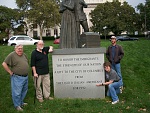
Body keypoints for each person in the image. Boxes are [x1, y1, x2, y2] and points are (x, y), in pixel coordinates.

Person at [2, 44, 29, 111]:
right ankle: (17, 105)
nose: (20, 50)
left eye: (21, 48)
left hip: (25, 77)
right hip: (17, 77)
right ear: (15, 49)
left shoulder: (24, 55)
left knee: (24, 91)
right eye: (18, 48)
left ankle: (21, 102)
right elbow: (4, 64)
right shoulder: (12, 55)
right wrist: (10, 72)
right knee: (17, 92)